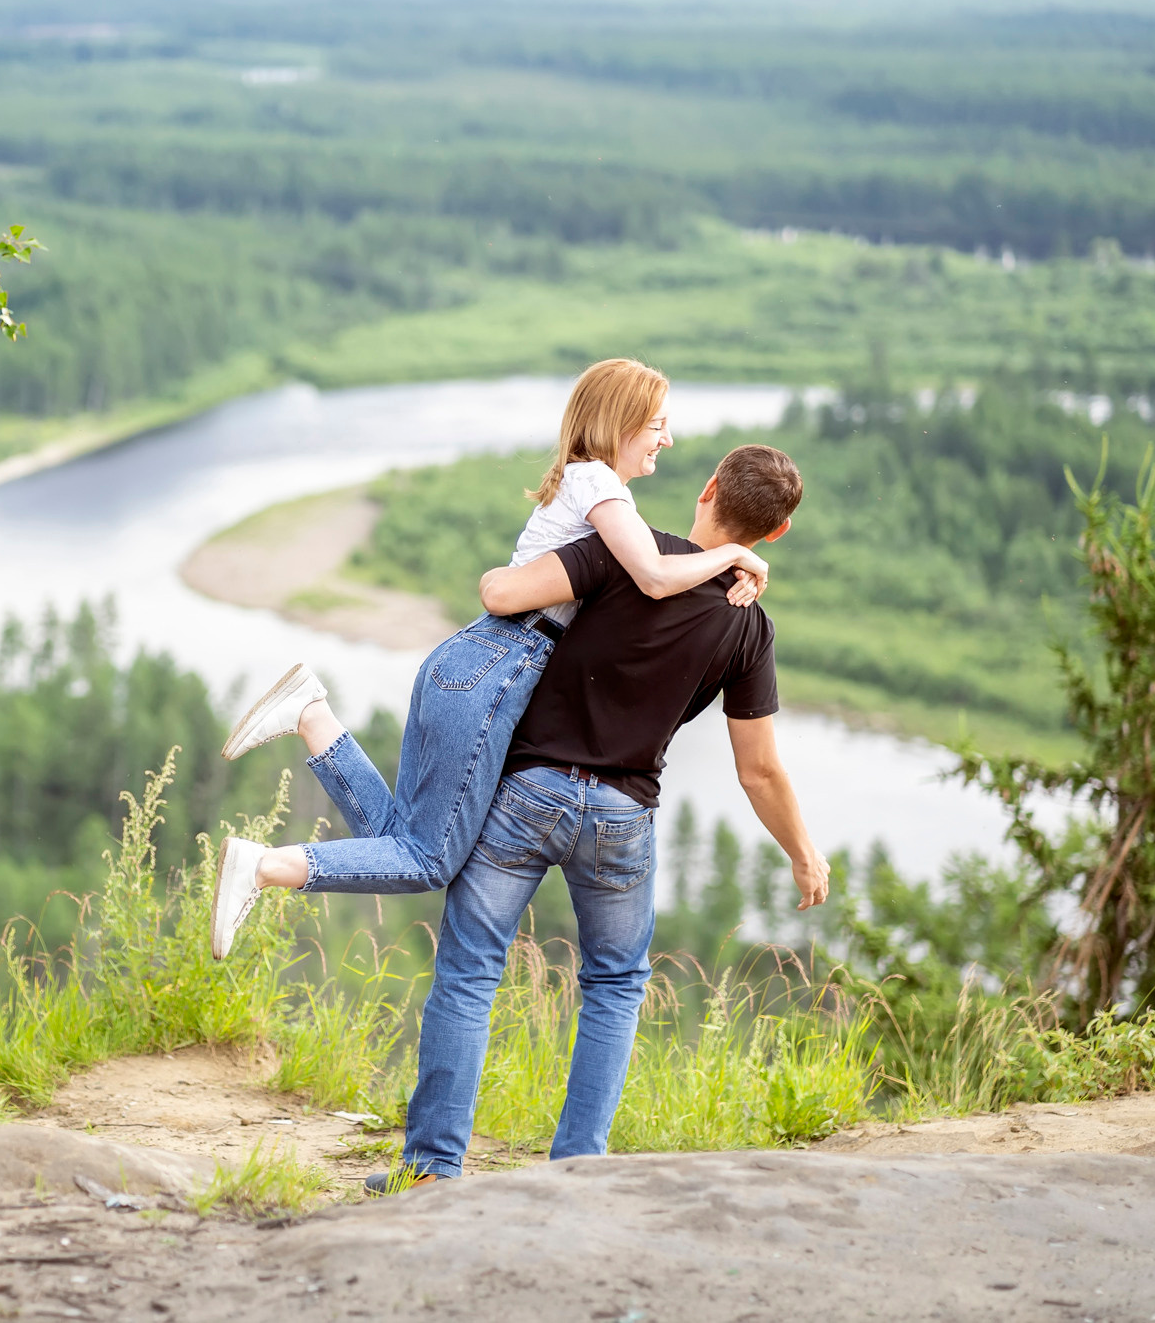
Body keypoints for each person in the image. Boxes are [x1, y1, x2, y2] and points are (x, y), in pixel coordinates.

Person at [370, 442, 827, 1185]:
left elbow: (507, 593)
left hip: (525, 793)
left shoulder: (616, 550)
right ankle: (577, 1176)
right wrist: (805, 853)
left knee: (469, 971)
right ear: (773, 534)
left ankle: (430, 1168)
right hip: (622, 817)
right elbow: (760, 769)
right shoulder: (749, 628)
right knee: (614, 984)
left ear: (708, 488)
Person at [209, 358, 768, 957]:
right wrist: (734, 550)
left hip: (477, 660)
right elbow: (655, 576)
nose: (668, 438)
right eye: (658, 424)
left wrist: (724, 559)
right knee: (426, 862)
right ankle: (263, 866)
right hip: (503, 667)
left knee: (402, 840)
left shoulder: (591, 486)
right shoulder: (602, 486)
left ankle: (312, 716)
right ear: (622, 424)